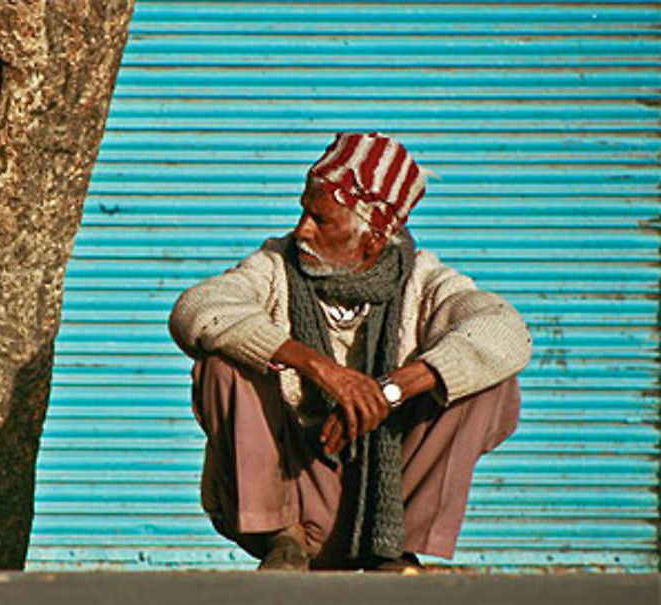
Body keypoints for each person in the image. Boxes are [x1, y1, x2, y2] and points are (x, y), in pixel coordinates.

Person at [168, 132, 532, 572]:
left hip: (386, 492)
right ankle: (281, 539)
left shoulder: (424, 282)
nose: (302, 229)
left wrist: (388, 392)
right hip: (297, 492)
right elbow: (197, 308)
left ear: (374, 238)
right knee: (223, 362)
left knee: (487, 379)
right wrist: (319, 368)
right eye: (303, 211)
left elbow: (506, 330)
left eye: (321, 220)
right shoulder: (274, 266)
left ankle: (397, 550)